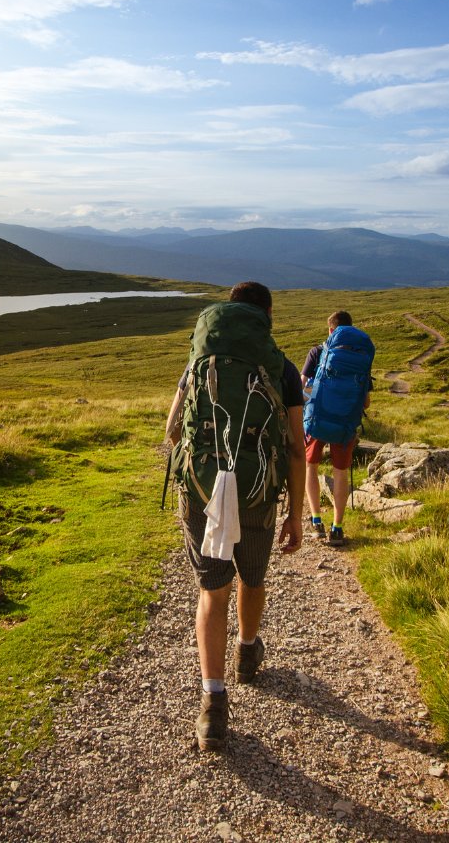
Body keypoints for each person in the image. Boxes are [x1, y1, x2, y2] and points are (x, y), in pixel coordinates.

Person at [165, 281, 306, 752]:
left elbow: (171, 431)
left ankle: (212, 703)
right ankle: (247, 651)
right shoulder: (281, 367)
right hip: (257, 493)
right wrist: (297, 516)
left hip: (203, 493)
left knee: (212, 591)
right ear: (267, 316)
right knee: (252, 577)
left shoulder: (197, 363)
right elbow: (295, 447)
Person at [302, 310, 371, 546]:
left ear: (331, 330)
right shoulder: (361, 357)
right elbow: (366, 402)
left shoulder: (318, 352)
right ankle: (338, 527)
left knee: (311, 466)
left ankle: (316, 521)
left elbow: (301, 389)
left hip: (317, 419)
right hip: (345, 423)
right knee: (340, 472)